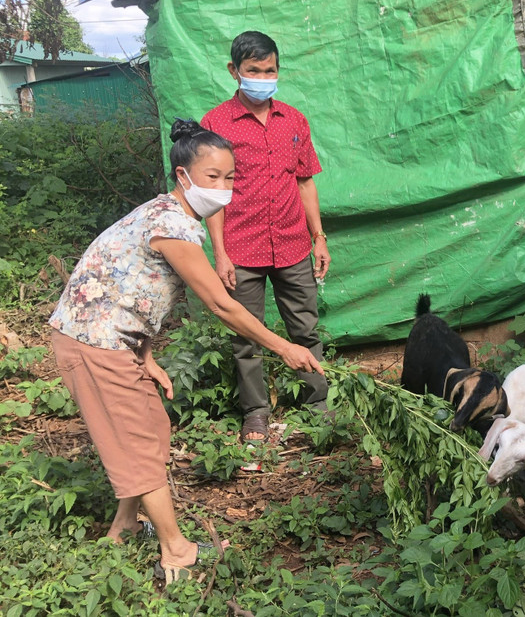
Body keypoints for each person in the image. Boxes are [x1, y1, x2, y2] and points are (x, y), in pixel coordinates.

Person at [49, 119, 323, 583]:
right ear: (183, 176)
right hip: (93, 341)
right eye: (211, 177)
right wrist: (284, 348)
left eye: (230, 177)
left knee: (151, 430)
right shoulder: (172, 225)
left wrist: (147, 355)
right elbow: (220, 303)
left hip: (119, 338)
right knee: (136, 442)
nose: (223, 187)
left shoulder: (171, 213)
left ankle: (123, 526)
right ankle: (176, 550)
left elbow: (139, 289)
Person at [201, 31, 331, 444]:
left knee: (306, 329)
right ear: (234, 71)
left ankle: (318, 404)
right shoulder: (215, 125)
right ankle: (256, 412)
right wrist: (220, 253)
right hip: (242, 248)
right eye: (252, 70)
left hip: (292, 243)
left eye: (269, 70)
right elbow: (213, 197)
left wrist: (319, 237)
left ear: (278, 70)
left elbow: (305, 182)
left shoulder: (293, 120)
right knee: (246, 338)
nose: (261, 77)